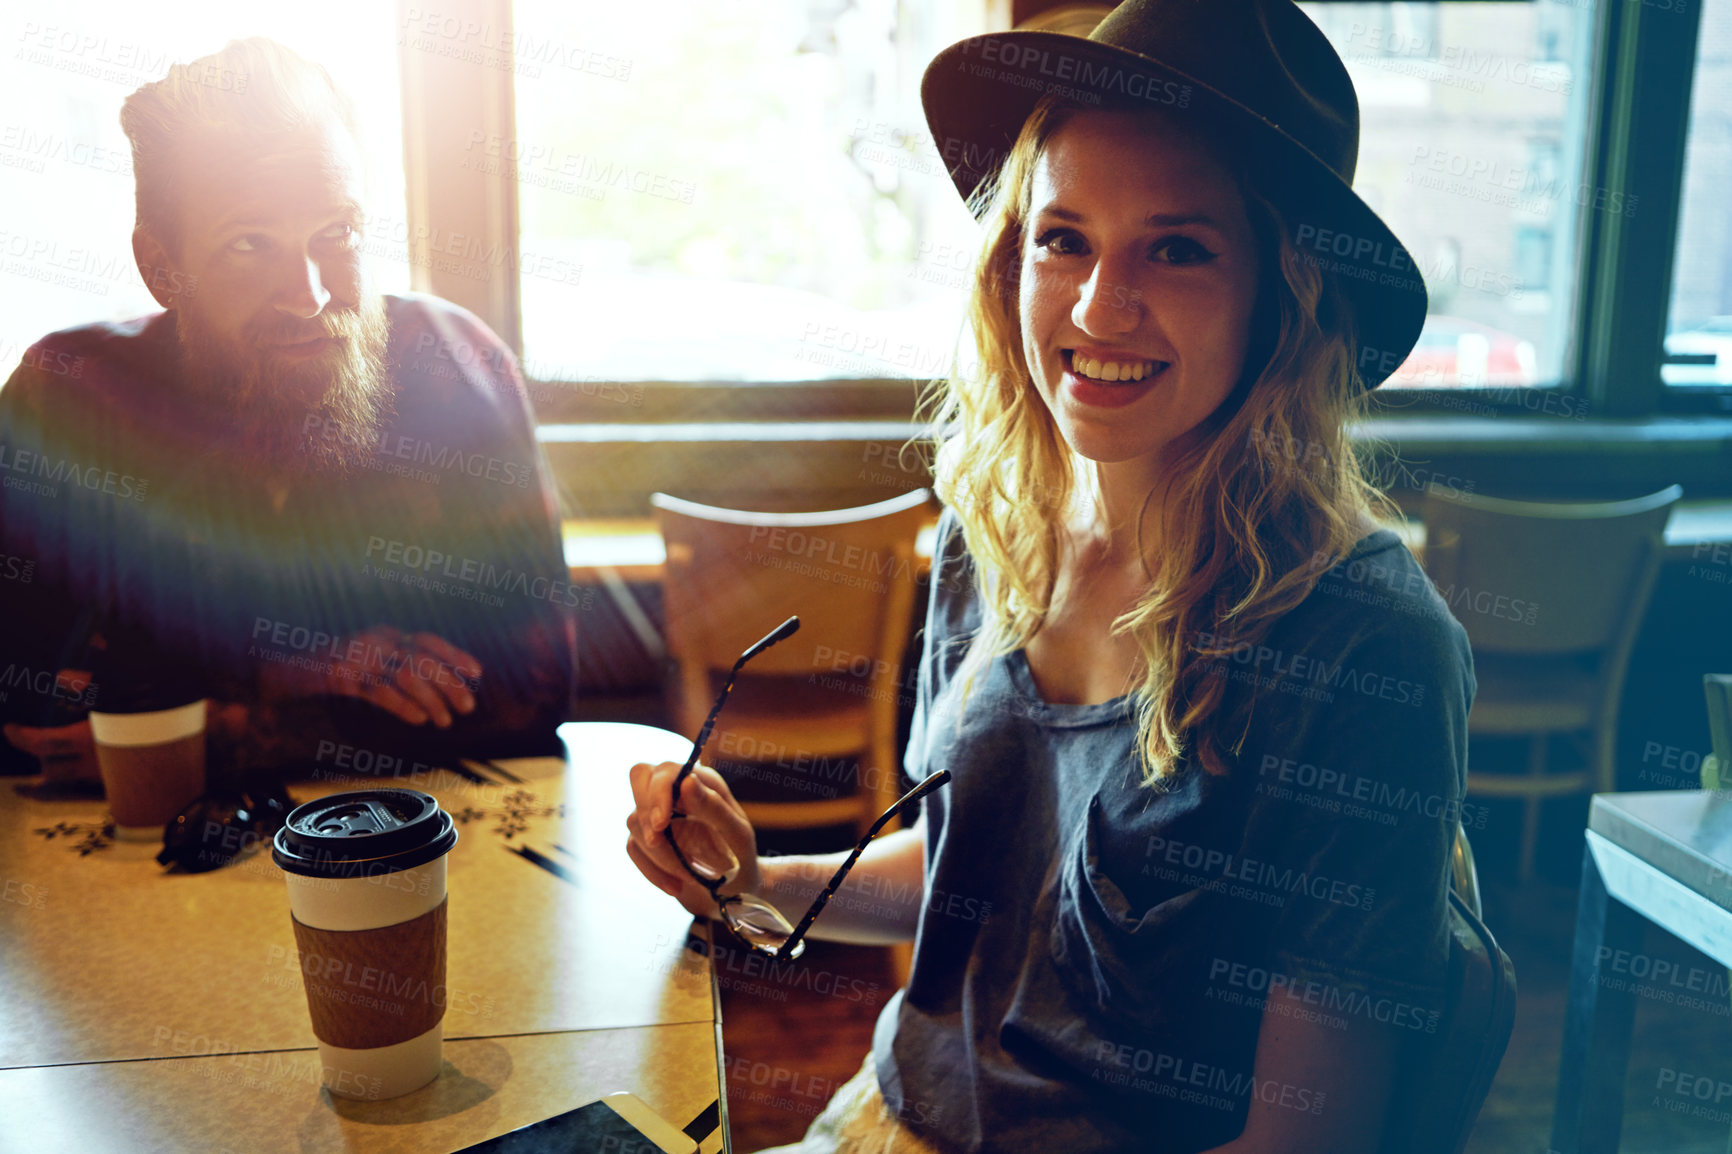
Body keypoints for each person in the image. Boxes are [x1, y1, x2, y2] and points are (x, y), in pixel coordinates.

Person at [626, 2, 1474, 1152]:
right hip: (894, 1109)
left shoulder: (1363, 642)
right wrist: (758, 875)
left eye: (1176, 248)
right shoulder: (996, 529)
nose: (1095, 308)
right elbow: (976, 869)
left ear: (1287, 295)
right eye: (1062, 237)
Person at [0, 38, 575, 786]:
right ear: (160, 267)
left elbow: (527, 690)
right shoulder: (71, 398)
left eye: (336, 234)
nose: (310, 296)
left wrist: (199, 729)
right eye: (249, 243)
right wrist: (289, 675)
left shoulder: (453, 365)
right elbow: (26, 711)